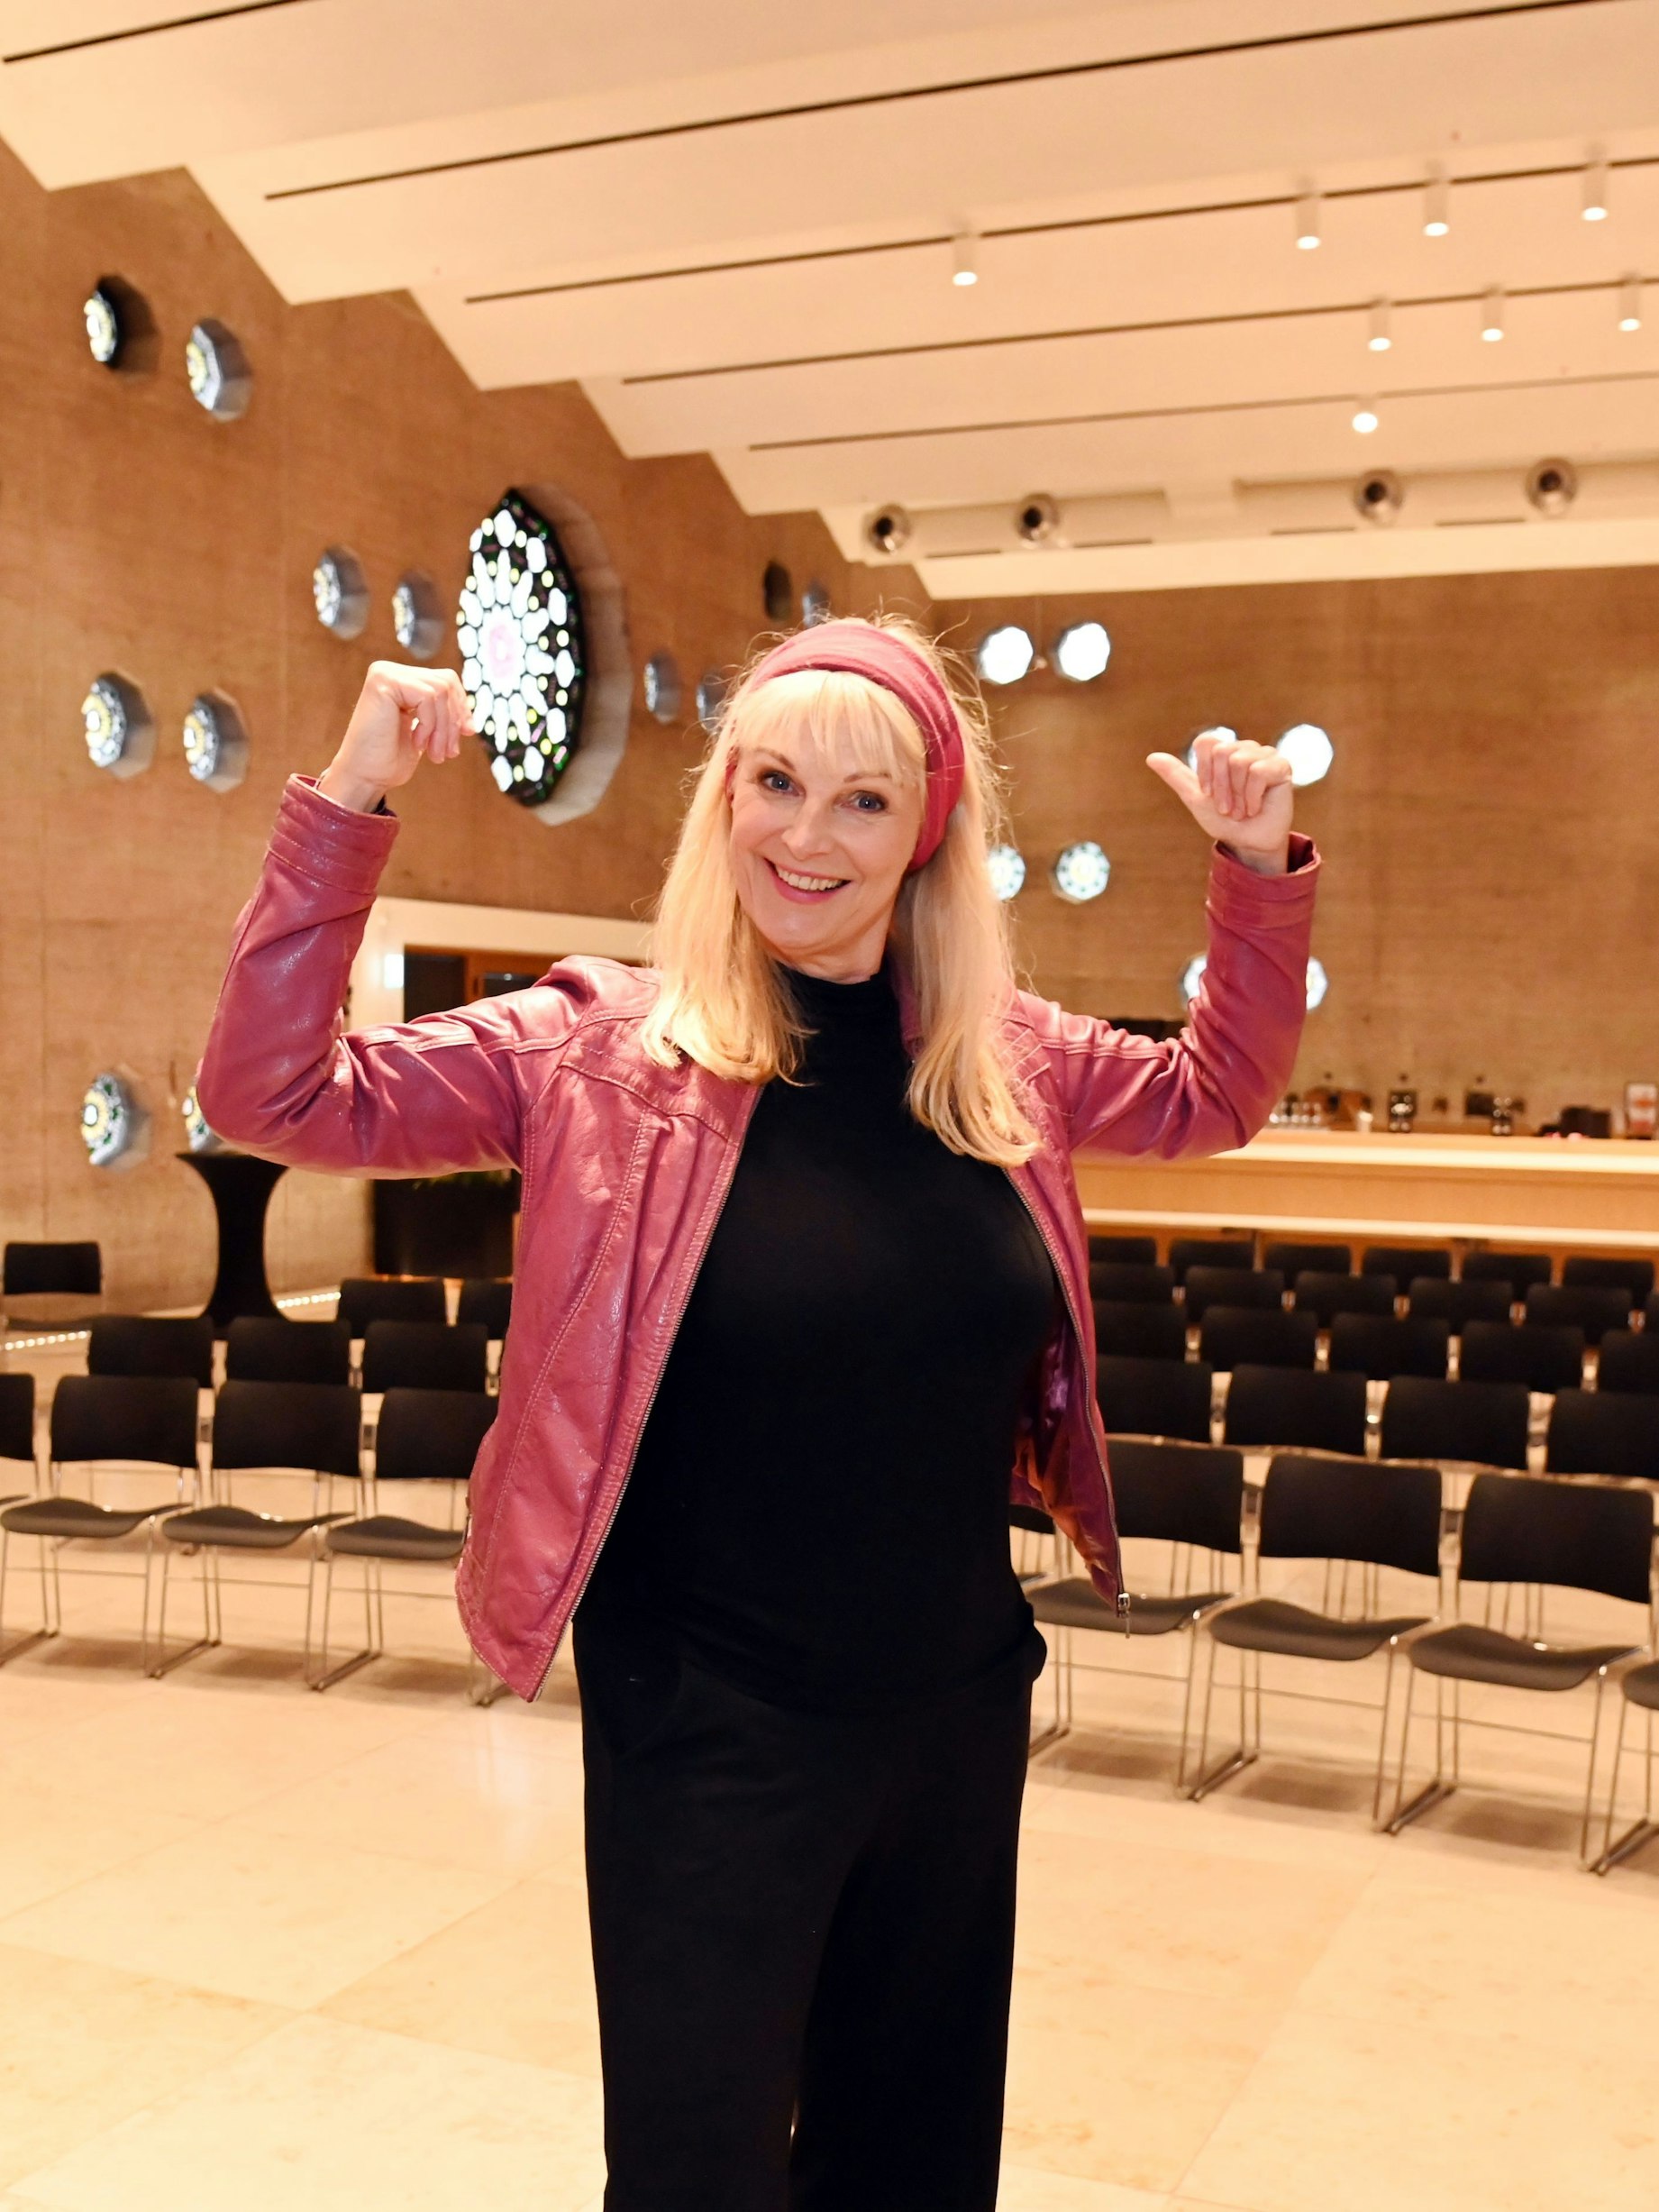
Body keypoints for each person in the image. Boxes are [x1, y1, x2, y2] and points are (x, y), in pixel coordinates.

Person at [198, 615, 1317, 2211]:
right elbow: (272, 1095)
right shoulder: (593, 1045)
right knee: (698, 2167)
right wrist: (351, 797)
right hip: (708, 1714)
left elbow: (1218, 1091)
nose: (807, 833)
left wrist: (1257, 873)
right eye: (774, 782)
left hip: (952, 1701)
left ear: (926, 826)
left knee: (914, 2152)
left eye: (862, 800)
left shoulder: (999, 1060)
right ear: (723, 797)